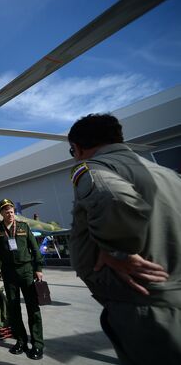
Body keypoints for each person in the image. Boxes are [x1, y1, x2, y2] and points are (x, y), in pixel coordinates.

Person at [68, 113, 179, 365]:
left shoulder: (92, 168)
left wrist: (117, 249)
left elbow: (111, 197)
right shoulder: (166, 174)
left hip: (143, 306)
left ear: (77, 148)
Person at [0, 198, 44, 360]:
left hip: (26, 270)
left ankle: (37, 344)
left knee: (33, 308)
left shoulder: (23, 227)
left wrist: (38, 268)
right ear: (1, 213)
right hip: (8, 272)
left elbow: (35, 249)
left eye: (11, 210)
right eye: (6, 210)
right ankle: (21, 341)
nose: (10, 213)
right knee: (13, 308)